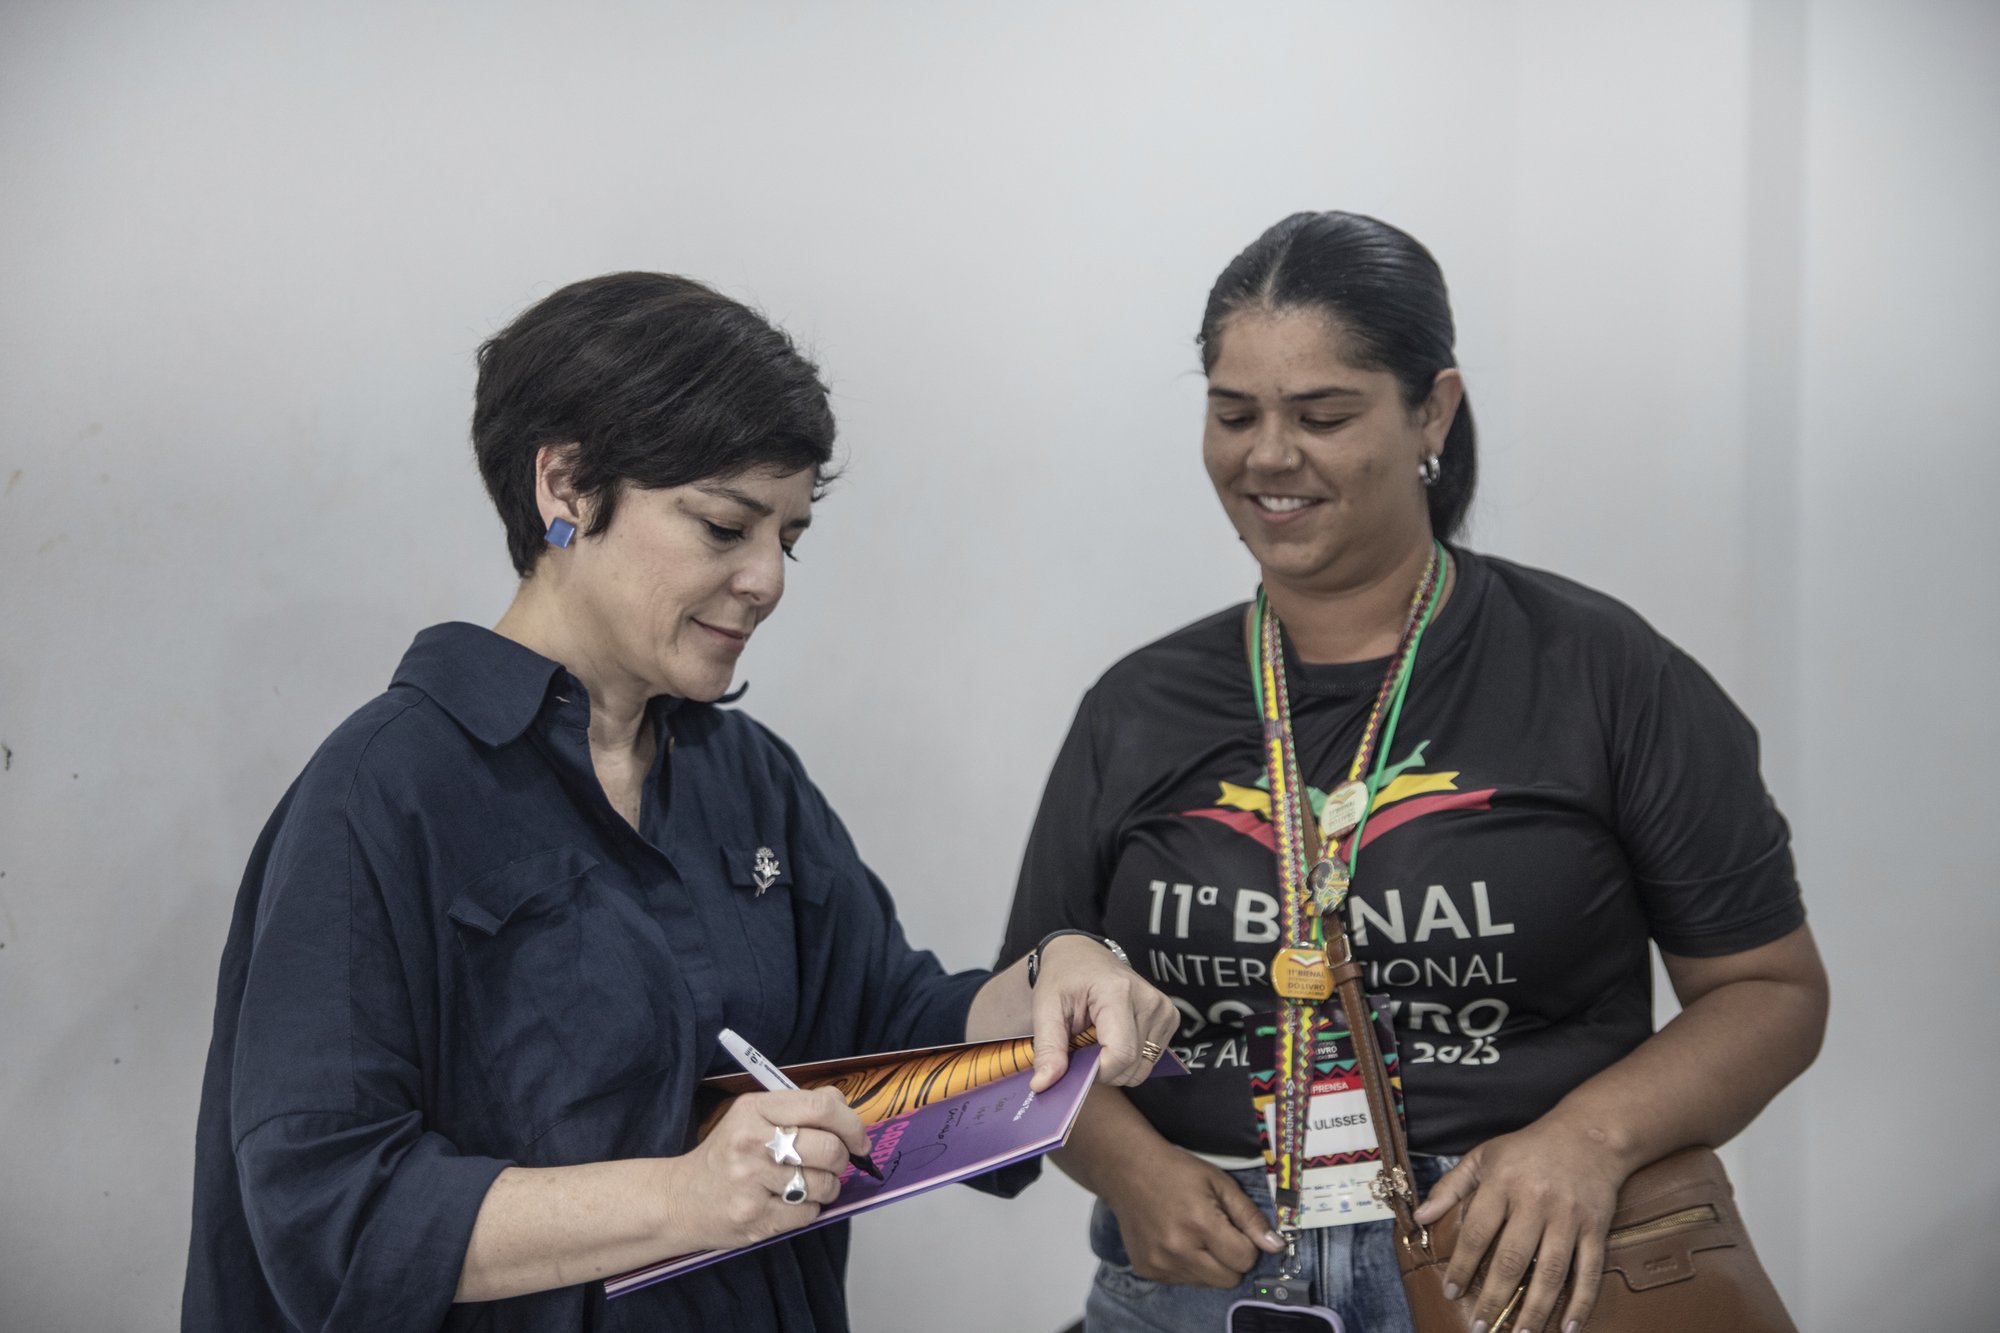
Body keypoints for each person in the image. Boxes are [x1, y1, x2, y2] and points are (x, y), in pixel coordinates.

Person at [183, 272, 1179, 1333]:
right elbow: (329, 1211)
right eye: (722, 527)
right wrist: (682, 1197)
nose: (768, 580)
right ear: (566, 486)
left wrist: (1053, 977)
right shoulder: (384, 793)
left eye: (787, 537)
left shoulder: (743, 776)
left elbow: (896, 1023)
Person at [999, 211, 1829, 1333]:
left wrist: (1589, 1140)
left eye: (1322, 415)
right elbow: (1024, 1013)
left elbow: (1769, 993)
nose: (1267, 455)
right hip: (1200, 1281)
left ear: (1431, 409)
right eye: (1233, 414)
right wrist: (1125, 1168)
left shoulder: (1600, 672)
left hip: (1514, 1269)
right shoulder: (1136, 705)